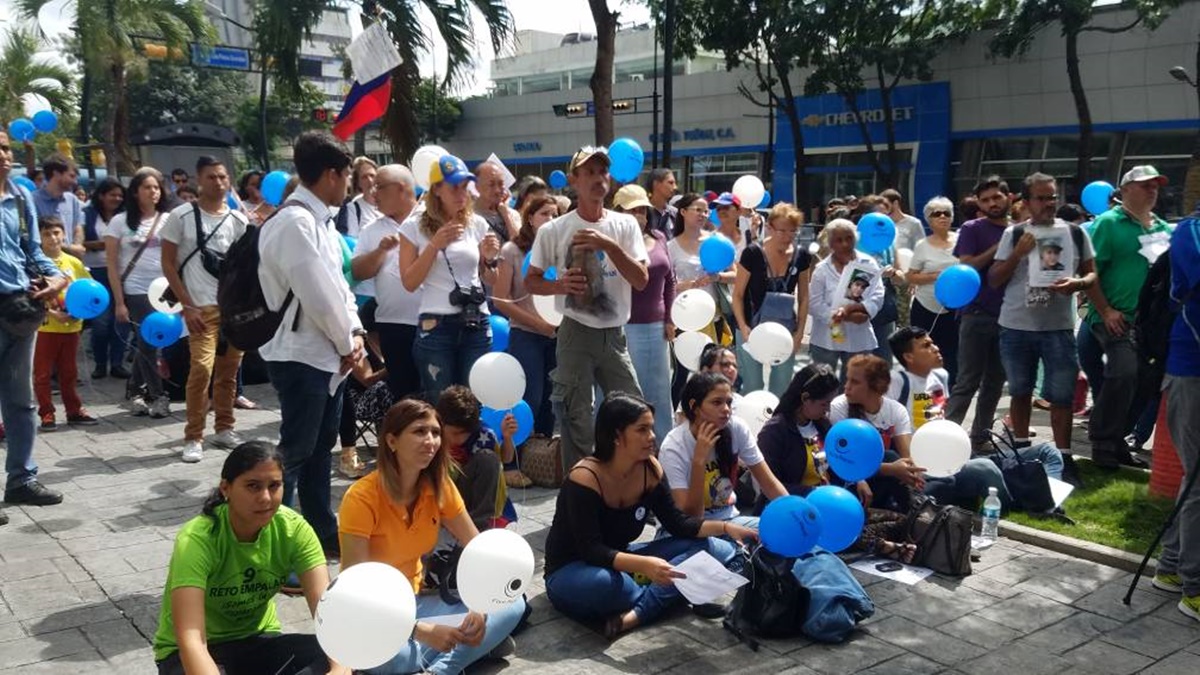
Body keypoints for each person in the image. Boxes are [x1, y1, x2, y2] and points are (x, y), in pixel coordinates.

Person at [542, 393, 756, 638]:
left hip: (624, 561)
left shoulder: (650, 469)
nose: (652, 437)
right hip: (576, 568)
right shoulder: (585, 478)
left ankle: (638, 612)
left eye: (652, 429)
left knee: (718, 548)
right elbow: (592, 550)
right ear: (616, 435)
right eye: (642, 430)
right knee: (612, 588)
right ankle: (666, 593)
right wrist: (645, 565)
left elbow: (679, 524)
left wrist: (727, 529)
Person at [338, 399, 526, 674]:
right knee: (384, 662)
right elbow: (353, 592)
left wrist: (480, 606)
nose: (431, 441)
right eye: (419, 432)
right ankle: (475, 647)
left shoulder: (439, 485)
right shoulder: (361, 498)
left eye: (436, 432)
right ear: (391, 441)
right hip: (373, 614)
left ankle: (445, 666)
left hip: (416, 601)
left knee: (511, 601)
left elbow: (479, 552)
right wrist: (420, 631)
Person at [152, 442, 349, 675]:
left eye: (274, 486)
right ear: (226, 488)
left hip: (258, 641)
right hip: (193, 652)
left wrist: (340, 669)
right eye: (253, 486)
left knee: (342, 654)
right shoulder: (197, 538)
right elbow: (191, 639)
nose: (265, 498)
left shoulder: (294, 529)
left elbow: (327, 614)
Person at [258, 132, 364, 558]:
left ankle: (319, 530)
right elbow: (317, 294)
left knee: (321, 448)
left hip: (326, 355)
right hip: (300, 355)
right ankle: (275, 545)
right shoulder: (295, 223)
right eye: (347, 177)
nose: (350, 186)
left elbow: (340, 286)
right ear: (330, 175)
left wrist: (353, 334)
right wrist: (346, 341)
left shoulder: (318, 221)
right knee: (297, 451)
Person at [526, 146, 649, 471]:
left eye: (603, 172)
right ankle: (579, 495)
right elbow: (531, 281)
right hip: (574, 334)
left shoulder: (625, 225)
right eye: (590, 172)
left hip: (614, 336)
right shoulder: (554, 229)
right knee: (575, 417)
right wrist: (559, 286)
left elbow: (640, 280)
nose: (598, 179)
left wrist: (608, 245)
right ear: (574, 180)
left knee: (632, 412)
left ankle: (633, 483)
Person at [989, 172, 1092, 484]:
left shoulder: (1074, 233)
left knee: (1062, 396)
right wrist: (1018, 253)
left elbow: (1092, 276)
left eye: (1052, 197)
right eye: (1042, 198)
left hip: (1058, 327)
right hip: (1016, 325)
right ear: (1026, 201)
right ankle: (1022, 454)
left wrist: (1077, 283)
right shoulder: (1015, 233)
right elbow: (994, 279)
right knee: (1020, 391)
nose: (1049, 203)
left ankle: (1063, 457)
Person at [160, 156, 249, 462]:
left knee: (229, 372)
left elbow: (244, 267)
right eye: (212, 177)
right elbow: (168, 263)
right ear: (199, 180)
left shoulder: (239, 220)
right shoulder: (181, 216)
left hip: (232, 309)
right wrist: (187, 304)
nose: (219, 182)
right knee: (200, 369)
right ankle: (193, 435)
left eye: (223, 177)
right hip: (199, 308)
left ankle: (224, 428)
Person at [1083, 166, 1172, 468]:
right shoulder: (1108, 224)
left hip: (1150, 322)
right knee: (1123, 371)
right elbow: (1089, 270)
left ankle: (1118, 439)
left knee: (1148, 380)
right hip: (1114, 316)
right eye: (1146, 185)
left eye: (1156, 186)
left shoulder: (1163, 228)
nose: (1152, 191)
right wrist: (1105, 309)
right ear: (1125, 190)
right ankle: (1102, 441)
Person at [399, 156, 498, 394]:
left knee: (474, 401)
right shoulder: (413, 226)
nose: (461, 194)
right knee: (441, 402)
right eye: (454, 187)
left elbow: (492, 281)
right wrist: (434, 245)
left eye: (465, 187)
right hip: (436, 325)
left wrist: (490, 258)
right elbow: (409, 282)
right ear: (436, 190)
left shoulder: (478, 224)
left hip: (476, 321)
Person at [659, 371, 788, 525]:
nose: (726, 409)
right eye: (717, 402)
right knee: (726, 548)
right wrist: (699, 461)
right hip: (690, 532)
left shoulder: (736, 428)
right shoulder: (673, 447)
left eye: (728, 402)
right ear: (694, 406)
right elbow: (691, 519)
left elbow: (770, 484)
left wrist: (795, 513)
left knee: (777, 530)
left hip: (731, 520)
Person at [1152, 212, 1200, 623]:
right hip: (1191, 370)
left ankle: (1170, 567)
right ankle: (1195, 586)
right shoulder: (1191, 230)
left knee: (1194, 476)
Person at [944, 176, 1011, 453]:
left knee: (995, 383)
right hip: (976, 314)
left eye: (997, 197)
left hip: (1009, 317)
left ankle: (979, 437)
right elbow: (968, 265)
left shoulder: (1019, 229)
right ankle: (946, 436)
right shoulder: (973, 229)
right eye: (985, 200)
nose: (992, 203)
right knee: (967, 381)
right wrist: (1001, 246)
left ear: (1010, 197)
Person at [495, 194, 560, 470]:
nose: (551, 220)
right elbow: (500, 299)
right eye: (544, 213)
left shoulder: (560, 250)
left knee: (550, 398)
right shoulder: (511, 250)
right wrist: (538, 325)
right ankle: (512, 461)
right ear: (530, 218)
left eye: (555, 214)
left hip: (556, 335)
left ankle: (538, 459)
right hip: (526, 334)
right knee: (529, 396)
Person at [351, 164, 421, 403]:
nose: (373, 193)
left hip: (434, 324)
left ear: (401, 188)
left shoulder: (430, 221)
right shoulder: (372, 229)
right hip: (393, 325)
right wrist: (380, 251)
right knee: (404, 396)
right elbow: (358, 271)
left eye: (379, 187)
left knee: (436, 394)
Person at [105, 167, 172, 418]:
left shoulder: (168, 219)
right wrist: (120, 302)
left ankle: (134, 390)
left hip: (165, 291)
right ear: (135, 192)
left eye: (156, 187)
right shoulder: (119, 222)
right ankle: (157, 396)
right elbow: (111, 264)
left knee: (149, 342)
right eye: (147, 187)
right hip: (135, 290)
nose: (153, 192)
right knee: (150, 342)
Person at [732, 202, 811, 395]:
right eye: (781, 231)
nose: (787, 237)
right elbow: (738, 294)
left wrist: (800, 332)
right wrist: (743, 327)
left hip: (785, 328)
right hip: (751, 325)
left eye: (792, 231)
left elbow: (804, 296)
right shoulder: (752, 252)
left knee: (782, 386)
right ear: (769, 228)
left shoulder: (801, 255)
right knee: (752, 385)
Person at [619, 185, 676, 443]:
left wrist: (669, 319)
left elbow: (670, 280)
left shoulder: (659, 237)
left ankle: (663, 445)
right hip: (624, 326)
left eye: (642, 209)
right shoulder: (613, 242)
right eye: (632, 210)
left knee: (660, 392)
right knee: (626, 391)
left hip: (656, 326)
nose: (639, 214)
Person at [33, 216, 98, 431]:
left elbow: (84, 292)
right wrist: (52, 313)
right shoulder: (34, 263)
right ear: (39, 237)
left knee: (69, 372)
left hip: (71, 327)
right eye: (46, 234)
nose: (52, 238)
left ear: (64, 235)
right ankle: (47, 413)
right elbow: (31, 296)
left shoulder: (74, 263)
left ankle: (73, 410)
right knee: (42, 373)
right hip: (45, 327)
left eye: (56, 233)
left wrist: (76, 314)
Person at [668, 194, 734, 404]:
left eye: (705, 211)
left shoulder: (716, 241)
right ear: (683, 212)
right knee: (681, 373)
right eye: (697, 209)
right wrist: (686, 285)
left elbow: (736, 273)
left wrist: (717, 276)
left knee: (711, 373)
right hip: (683, 317)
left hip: (712, 317)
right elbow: (666, 284)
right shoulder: (671, 246)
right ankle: (678, 415)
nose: (702, 214)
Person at [808, 219, 885, 380]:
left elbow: (877, 295)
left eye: (849, 238)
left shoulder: (868, 263)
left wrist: (864, 312)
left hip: (859, 337)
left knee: (857, 383)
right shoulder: (821, 270)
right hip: (826, 339)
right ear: (830, 243)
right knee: (822, 384)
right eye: (839, 240)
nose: (844, 244)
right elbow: (814, 304)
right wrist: (842, 315)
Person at [436, 385, 516, 531]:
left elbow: (505, 459)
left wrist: (507, 438)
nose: (460, 439)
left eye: (464, 433)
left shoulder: (483, 434)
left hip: (469, 492)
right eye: (455, 433)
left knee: (488, 458)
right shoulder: (431, 433)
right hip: (439, 494)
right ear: (441, 422)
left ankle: (479, 525)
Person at [757, 364, 841, 497]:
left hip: (826, 498)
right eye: (824, 404)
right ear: (805, 398)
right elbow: (769, 485)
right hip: (792, 505)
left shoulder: (823, 424)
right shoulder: (775, 432)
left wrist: (857, 481)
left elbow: (839, 462)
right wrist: (813, 492)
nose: (828, 409)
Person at [905, 196, 960, 388]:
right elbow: (910, 276)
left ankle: (949, 398)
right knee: (924, 354)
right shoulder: (923, 245)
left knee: (952, 356)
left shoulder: (961, 240)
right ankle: (924, 397)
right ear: (929, 219)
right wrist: (935, 276)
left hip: (955, 308)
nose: (943, 217)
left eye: (947, 213)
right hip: (926, 307)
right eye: (937, 214)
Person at [82, 178, 128, 379]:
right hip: (96, 272)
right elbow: (81, 242)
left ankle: (117, 363)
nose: (116, 198)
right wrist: (106, 244)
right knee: (101, 322)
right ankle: (100, 363)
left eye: (119, 195)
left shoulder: (126, 216)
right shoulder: (87, 214)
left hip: (122, 272)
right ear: (101, 195)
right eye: (112, 194)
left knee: (121, 321)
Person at [31, 154, 85, 259]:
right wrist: (70, 248)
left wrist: (77, 247)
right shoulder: (32, 201)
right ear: (56, 173)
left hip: (69, 263)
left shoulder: (72, 200)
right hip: (44, 264)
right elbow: (35, 237)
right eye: (71, 176)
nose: (75, 182)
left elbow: (78, 227)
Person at [475, 162, 520, 243]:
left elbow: (519, 245)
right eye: (491, 184)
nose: (497, 190)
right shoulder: (468, 216)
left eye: (501, 184)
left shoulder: (512, 214)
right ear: (477, 186)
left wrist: (506, 216)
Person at [337, 156, 381, 237]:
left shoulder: (390, 202)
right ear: (358, 182)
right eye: (364, 177)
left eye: (372, 175)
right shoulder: (353, 208)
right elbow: (352, 239)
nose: (370, 180)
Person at [882, 188, 925, 252]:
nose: (883, 208)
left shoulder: (913, 223)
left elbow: (921, 248)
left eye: (886, 205)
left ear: (895, 203)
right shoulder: (882, 223)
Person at [645, 168, 678, 239]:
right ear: (656, 184)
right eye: (670, 183)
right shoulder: (643, 212)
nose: (675, 187)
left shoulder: (675, 213)